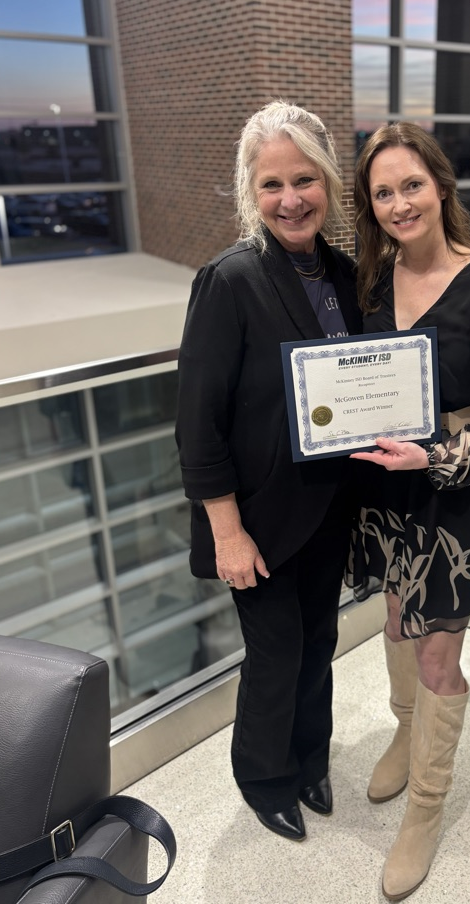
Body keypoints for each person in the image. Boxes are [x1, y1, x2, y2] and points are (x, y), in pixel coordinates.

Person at [346, 123, 470, 901]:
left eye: (411, 185)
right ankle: (403, 727)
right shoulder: (371, 282)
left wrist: (440, 456)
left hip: (459, 498)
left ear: (442, 186)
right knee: (395, 621)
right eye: (383, 192)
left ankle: (426, 806)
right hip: (391, 496)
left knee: (438, 656)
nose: (399, 203)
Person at [175, 101, 361, 843]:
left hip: (329, 504)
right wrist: (227, 532)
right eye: (272, 184)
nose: (291, 199)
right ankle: (264, 777)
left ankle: (310, 759)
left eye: (304, 179)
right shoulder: (230, 280)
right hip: (254, 519)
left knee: (320, 642)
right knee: (277, 652)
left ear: (329, 182)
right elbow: (197, 422)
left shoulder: (346, 275)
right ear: (252, 194)